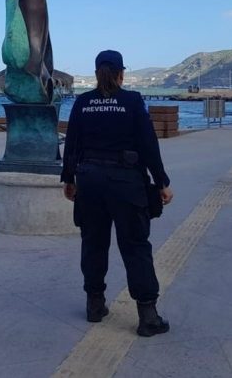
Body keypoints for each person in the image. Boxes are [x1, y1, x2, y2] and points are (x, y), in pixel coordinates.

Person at [61, 50, 174, 337]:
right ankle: (148, 316)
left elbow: (71, 142)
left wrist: (69, 179)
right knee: (135, 246)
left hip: (90, 181)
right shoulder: (132, 101)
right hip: (125, 182)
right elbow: (148, 145)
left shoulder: (83, 102)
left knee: (93, 243)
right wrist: (161, 181)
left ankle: (94, 305)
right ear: (121, 73)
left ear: (97, 73)